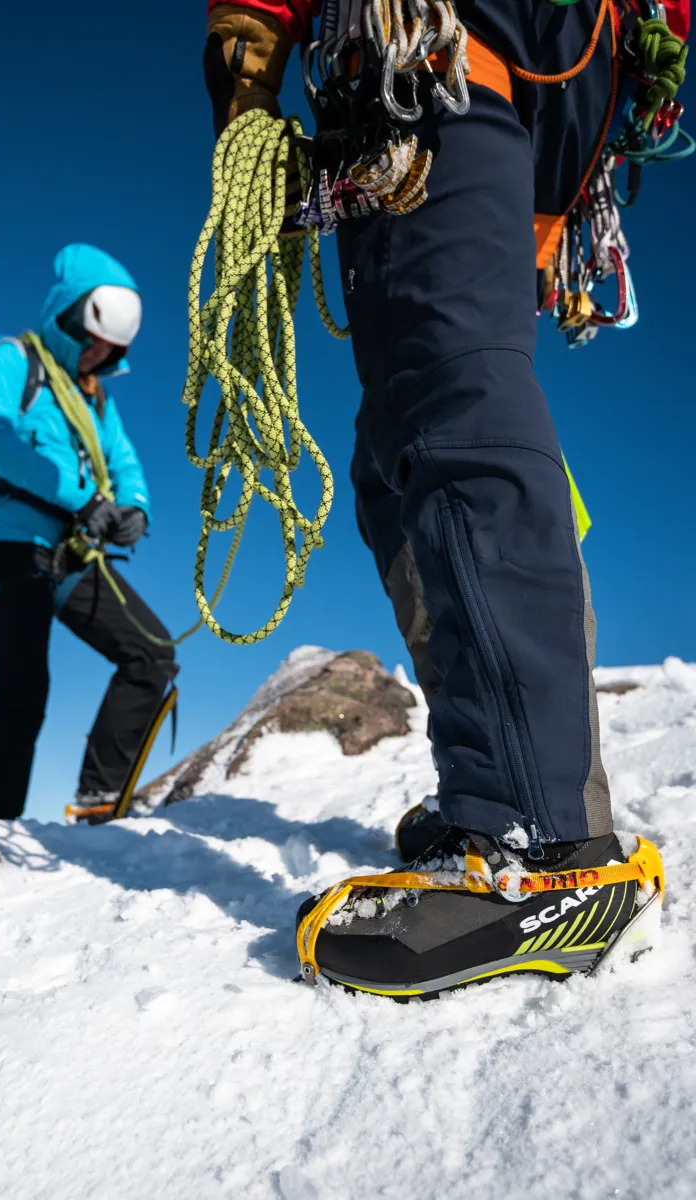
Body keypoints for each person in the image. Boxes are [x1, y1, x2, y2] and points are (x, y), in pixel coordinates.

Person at [203, 1, 682, 996]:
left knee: (447, 397)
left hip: (435, 54)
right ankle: (509, 790)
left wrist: (248, 50)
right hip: (531, 84)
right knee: (401, 446)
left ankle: (541, 840)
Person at [0, 244, 177, 821]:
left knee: (151, 653)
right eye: (92, 339)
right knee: (19, 686)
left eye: (111, 348)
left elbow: (124, 461)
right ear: (67, 315)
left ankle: (98, 799)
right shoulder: (13, 359)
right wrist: (85, 500)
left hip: (69, 550)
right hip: (7, 539)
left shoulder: (95, 399)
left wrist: (133, 508)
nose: (98, 354)